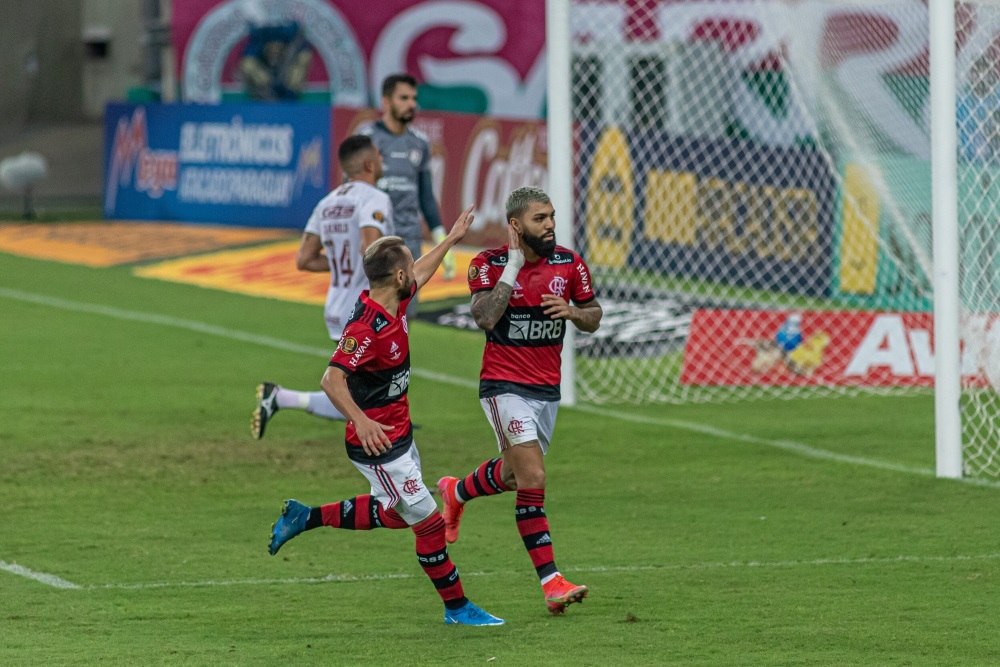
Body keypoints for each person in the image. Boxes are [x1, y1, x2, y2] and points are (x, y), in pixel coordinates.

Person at [267, 218, 504, 626]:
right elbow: (331, 379)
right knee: (429, 524)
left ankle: (305, 517)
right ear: (398, 276)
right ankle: (458, 608)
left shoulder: (396, 298)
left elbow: (423, 272)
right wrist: (360, 421)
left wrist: (449, 240)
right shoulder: (366, 328)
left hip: (400, 433)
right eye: (408, 267)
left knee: (396, 513)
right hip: (378, 447)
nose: (415, 272)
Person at [435, 186, 603, 616]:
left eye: (551, 217)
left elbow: (594, 317)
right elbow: (486, 317)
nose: (549, 225)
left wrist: (572, 313)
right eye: (539, 219)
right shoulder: (488, 265)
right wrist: (512, 267)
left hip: (546, 393)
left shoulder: (569, 264)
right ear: (515, 225)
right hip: (503, 387)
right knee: (533, 479)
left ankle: (457, 492)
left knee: (512, 475)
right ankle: (551, 582)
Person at [251, 134, 391, 439]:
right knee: (368, 394)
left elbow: (304, 259)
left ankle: (281, 398)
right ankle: (390, 456)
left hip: (336, 308)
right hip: (366, 309)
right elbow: (372, 250)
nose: (381, 161)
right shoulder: (374, 198)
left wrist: (345, 263)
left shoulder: (326, 203)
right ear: (369, 163)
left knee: (357, 391)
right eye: (378, 156)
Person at [358, 73, 455, 318]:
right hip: (375, 241)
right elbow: (352, 193)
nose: (412, 104)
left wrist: (441, 238)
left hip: (407, 244)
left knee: (404, 315)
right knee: (368, 317)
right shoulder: (367, 139)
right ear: (386, 102)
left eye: (414, 98)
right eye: (404, 98)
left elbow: (425, 195)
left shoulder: (419, 144)